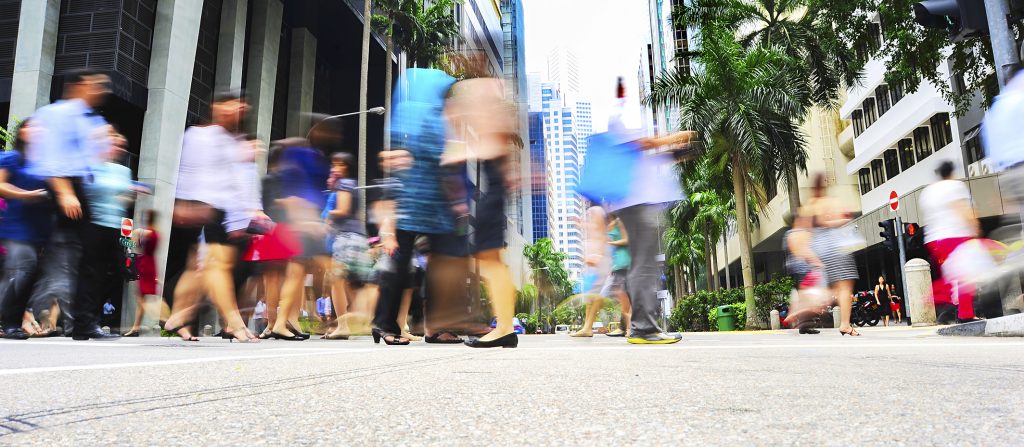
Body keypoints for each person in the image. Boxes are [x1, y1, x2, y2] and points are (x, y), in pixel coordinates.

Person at [25, 68, 119, 341]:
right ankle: (19, 314)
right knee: (51, 259)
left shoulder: (88, 119)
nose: (103, 90)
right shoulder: (59, 114)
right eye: (96, 85)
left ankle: (82, 325)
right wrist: (65, 192)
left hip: (80, 190)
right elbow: (54, 157)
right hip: (62, 188)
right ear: (78, 86)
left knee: (88, 260)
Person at [374, 68, 461, 346]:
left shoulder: (432, 115)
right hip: (414, 201)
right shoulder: (422, 114)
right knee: (402, 267)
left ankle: (432, 326)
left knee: (438, 266)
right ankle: (386, 325)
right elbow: (407, 156)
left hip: (432, 203)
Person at [164, 90, 259, 342]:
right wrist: (183, 203)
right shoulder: (198, 135)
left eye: (239, 107)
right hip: (197, 204)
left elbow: (233, 182)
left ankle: (178, 316)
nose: (234, 110)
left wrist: (239, 219)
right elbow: (185, 169)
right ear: (215, 107)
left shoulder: (231, 141)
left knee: (199, 268)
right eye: (228, 105)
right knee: (215, 266)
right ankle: (234, 323)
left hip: (219, 209)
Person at [441, 54, 522, 348]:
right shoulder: (490, 92)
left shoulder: (488, 93)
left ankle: (504, 327)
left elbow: (490, 142)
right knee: (490, 260)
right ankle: (503, 326)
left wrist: (459, 151)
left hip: (495, 188)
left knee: (489, 260)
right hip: (496, 186)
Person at [265, 138, 330, 341]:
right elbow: (292, 203)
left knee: (278, 279)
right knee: (294, 275)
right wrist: (310, 224)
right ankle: (278, 323)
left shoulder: (274, 177)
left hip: (277, 232)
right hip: (288, 232)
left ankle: (280, 322)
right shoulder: (289, 176)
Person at [82, 127, 138, 336]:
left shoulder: (124, 172)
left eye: (121, 145)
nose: (117, 148)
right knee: (94, 274)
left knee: (115, 274)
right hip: (96, 224)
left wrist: (129, 194)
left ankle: (96, 319)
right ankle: (89, 320)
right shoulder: (94, 166)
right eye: (114, 143)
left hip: (116, 229)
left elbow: (126, 200)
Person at [0, 120, 53, 340]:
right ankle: (8, 323)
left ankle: (11, 323)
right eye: (34, 127)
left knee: (27, 276)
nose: (40, 131)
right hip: (17, 227)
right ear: (23, 132)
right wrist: (26, 195)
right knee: (22, 272)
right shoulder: (13, 158)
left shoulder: (44, 163)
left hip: (39, 230)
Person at [795, 174, 860, 336]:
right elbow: (843, 218)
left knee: (825, 284)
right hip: (833, 244)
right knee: (844, 286)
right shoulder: (831, 202)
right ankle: (845, 324)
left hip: (817, 245)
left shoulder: (808, 205)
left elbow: (801, 229)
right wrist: (836, 221)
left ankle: (806, 311)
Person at [919, 160, 980, 323]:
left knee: (954, 275)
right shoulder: (955, 186)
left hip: (934, 240)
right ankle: (962, 312)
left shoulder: (928, 192)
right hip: (956, 236)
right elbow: (962, 208)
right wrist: (975, 228)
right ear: (952, 172)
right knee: (966, 275)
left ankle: (943, 299)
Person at [323, 152, 374, 340]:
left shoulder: (343, 184)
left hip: (345, 237)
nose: (334, 168)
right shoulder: (354, 185)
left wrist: (328, 216)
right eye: (333, 164)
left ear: (346, 167)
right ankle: (363, 319)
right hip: (359, 236)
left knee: (336, 281)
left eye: (339, 164)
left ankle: (343, 325)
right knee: (356, 283)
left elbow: (343, 210)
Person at [570, 206, 610, 338]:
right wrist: (578, 221)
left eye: (591, 215)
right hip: (593, 266)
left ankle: (587, 327)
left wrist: (598, 256)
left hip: (600, 264)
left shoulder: (601, 227)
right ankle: (587, 327)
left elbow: (604, 240)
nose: (590, 216)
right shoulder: (594, 226)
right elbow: (587, 225)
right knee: (589, 298)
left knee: (596, 297)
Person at [125, 210, 160, 336]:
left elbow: (133, 246)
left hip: (143, 263)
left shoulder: (139, 232)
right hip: (151, 264)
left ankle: (162, 318)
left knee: (140, 298)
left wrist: (122, 240)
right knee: (142, 297)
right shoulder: (156, 233)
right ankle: (135, 327)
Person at [601, 214, 632, 337]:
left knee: (626, 299)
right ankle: (624, 327)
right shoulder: (610, 224)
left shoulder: (619, 221)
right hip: (617, 265)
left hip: (624, 263)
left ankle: (628, 328)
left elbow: (626, 240)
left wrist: (611, 242)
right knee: (623, 298)